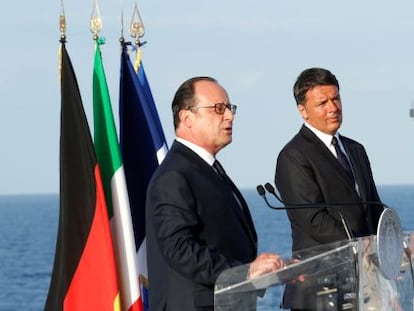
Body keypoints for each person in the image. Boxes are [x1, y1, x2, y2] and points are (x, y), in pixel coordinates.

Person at [146, 76, 284, 311]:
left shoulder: (206, 169)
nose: (229, 116)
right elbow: (179, 249)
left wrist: (268, 272)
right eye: (218, 109)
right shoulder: (175, 175)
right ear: (187, 118)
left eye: (229, 108)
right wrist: (245, 272)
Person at [275, 67, 384, 310]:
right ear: (303, 111)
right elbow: (312, 218)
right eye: (322, 102)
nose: (333, 108)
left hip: (362, 288)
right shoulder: (293, 156)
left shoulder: (356, 150)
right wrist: (360, 246)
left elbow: (373, 207)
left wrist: (392, 239)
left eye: (336, 99)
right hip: (319, 290)